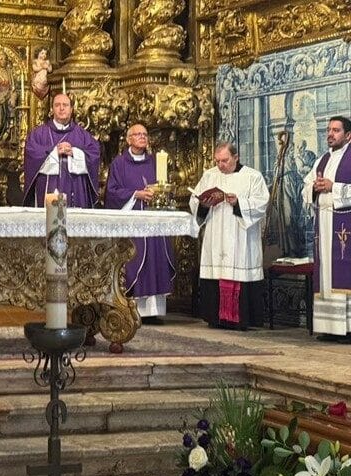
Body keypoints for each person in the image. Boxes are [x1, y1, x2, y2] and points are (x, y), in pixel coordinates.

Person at [189, 142, 269, 330]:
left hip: (240, 236)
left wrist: (238, 202)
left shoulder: (252, 177)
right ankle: (216, 318)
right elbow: (195, 201)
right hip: (216, 234)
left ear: (236, 157)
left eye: (225, 160)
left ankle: (239, 319)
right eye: (217, 161)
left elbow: (261, 203)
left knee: (238, 269)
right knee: (216, 272)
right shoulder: (210, 175)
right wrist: (204, 204)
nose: (220, 165)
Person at [104, 124, 175, 323]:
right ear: (128, 139)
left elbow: (164, 186)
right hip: (133, 221)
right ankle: (134, 309)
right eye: (138, 134)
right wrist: (136, 194)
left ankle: (153, 311)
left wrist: (159, 193)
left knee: (156, 261)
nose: (143, 137)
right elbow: (112, 192)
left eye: (145, 134)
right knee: (136, 261)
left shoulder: (155, 162)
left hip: (154, 221)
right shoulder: (119, 164)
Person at [300, 116, 351, 341]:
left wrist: (334, 187)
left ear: (348, 135)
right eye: (329, 130)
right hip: (324, 223)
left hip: (346, 224)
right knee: (326, 275)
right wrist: (314, 188)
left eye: (336, 130)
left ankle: (348, 328)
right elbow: (305, 188)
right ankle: (329, 327)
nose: (330, 134)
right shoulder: (321, 160)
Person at [23, 93, 101, 208]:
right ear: (52, 109)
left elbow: (94, 154)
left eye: (65, 105)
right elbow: (31, 153)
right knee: (51, 223)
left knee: (75, 224)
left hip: (76, 190)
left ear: (71, 109)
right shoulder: (38, 134)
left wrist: (75, 153)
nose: (61, 108)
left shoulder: (83, 135)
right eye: (57, 105)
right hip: (47, 188)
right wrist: (54, 152)